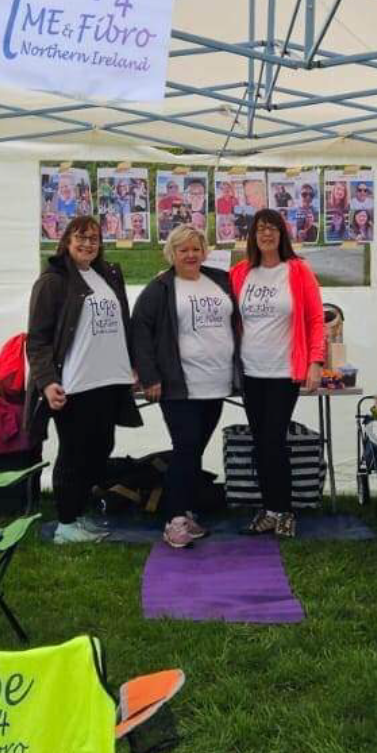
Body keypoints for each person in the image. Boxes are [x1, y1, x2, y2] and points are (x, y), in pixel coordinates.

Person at [26, 215, 140, 542]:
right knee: (74, 453)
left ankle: (79, 513)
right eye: (81, 237)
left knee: (101, 448)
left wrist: (131, 365)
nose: (87, 244)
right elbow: (37, 340)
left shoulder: (108, 275)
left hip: (109, 381)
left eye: (94, 239)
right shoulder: (53, 280)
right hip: (74, 384)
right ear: (67, 241)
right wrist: (47, 381)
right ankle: (65, 523)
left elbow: (123, 325)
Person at [130, 224, 240, 549]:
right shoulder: (160, 287)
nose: (190, 255)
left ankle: (187, 513)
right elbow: (140, 331)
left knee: (193, 451)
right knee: (186, 447)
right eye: (183, 250)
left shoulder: (220, 280)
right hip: (180, 386)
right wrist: (150, 376)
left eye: (196, 248)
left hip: (217, 384)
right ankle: (174, 520)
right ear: (172, 254)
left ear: (204, 251)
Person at [230, 208, 326, 537]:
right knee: (261, 442)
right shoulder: (241, 273)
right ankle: (271, 510)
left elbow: (316, 319)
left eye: (273, 228)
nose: (267, 234)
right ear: (253, 236)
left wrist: (316, 362)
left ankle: (283, 510)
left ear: (282, 234)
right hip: (250, 372)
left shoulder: (298, 271)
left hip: (284, 372)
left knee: (273, 439)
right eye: (260, 229)